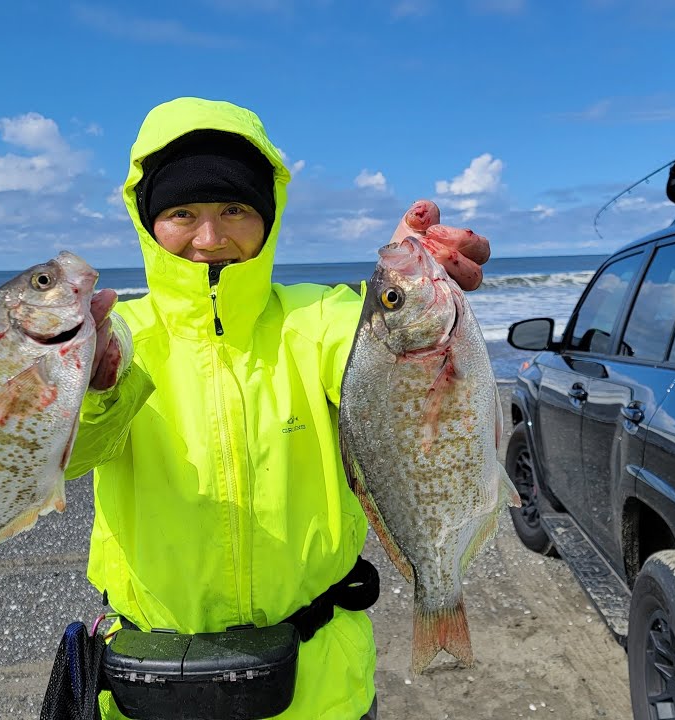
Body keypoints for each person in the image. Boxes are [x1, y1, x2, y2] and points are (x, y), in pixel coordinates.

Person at [61, 96, 490, 720]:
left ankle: (440, 597)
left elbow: (379, 362)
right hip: (152, 683)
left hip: (321, 687)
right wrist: (98, 393)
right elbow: (69, 456)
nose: (209, 239)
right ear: (148, 220)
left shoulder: (321, 317)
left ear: (268, 214)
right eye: (183, 212)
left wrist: (400, 282)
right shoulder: (114, 333)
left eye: (234, 209)